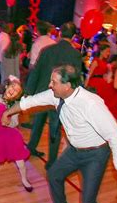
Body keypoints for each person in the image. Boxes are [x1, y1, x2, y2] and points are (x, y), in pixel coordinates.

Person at [2, 64, 117, 203]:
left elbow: (114, 134)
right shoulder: (57, 95)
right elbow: (30, 102)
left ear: (68, 85)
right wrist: (8, 113)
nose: (50, 85)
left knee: (87, 202)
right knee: (53, 174)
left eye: (54, 82)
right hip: (74, 150)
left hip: (95, 155)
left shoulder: (90, 104)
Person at [25, 22, 82, 166]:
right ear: (74, 36)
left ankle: (31, 148)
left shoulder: (47, 50)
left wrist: (28, 93)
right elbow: (76, 79)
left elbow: (36, 72)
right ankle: (51, 162)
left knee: (38, 122)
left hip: (43, 93)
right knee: (55, 129)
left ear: (60, 34)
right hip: (60, 97)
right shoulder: (75, 54)